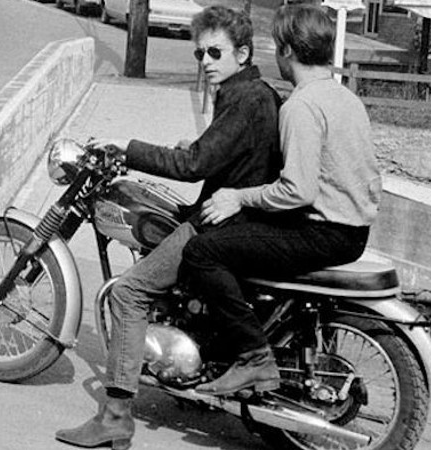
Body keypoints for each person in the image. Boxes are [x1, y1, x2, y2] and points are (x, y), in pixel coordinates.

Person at [54, 5, 282, 449]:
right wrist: (196, 146)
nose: (207, 62)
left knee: (129, 290)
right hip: (238, 214)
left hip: (224, 220)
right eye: (200, 55)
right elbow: (222, 153)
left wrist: (129, 149)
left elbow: (193, 165)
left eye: (215, 52)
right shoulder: (254, 92)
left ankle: (115, 415)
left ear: (243, 52)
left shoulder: (244, 99)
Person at [180, 3, 382, 396]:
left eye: (276, 46)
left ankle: (254, 359)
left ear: (287, 50)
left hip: (322, 232)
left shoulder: (301, 106)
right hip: (353, 230)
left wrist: (239, 196)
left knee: (203, 252)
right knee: (240, 243)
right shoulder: (344, 98)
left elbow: (297, 190)